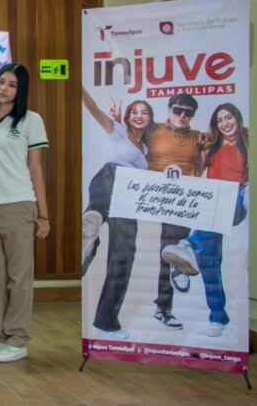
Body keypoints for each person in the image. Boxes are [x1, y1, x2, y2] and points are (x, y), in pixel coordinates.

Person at [0, 63, 49, 363]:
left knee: (19, 276)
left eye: (12, 84)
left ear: (21, 90)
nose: (3, 88)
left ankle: (18, 339)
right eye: (0, 81)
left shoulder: (31, 120)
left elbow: (36, 169)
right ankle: (4, 336)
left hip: (19, 205)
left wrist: (43, 215)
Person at [161, 103, 248, 338]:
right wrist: (200, 150)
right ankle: (218, 316)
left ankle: (189, 246)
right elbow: (198, 173)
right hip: (212, 200)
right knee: (210, 261)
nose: (225, 123)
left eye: (229, 117)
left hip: (237, 199)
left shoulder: (248, 140)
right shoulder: (212, 145)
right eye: (220, 120)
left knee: (203, 242)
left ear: (238, 118)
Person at [80, 89, 155, 340]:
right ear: (128, 115)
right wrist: (77, 85)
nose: (139, 115)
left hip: (129, 197)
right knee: (101, 204)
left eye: (144, 112)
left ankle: (106, 322)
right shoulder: (117, 130)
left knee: (124, 255)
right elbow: (93, 108)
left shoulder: (146, 149)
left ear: (150, 118)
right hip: (110, 178)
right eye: (135, 111)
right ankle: (90, 225)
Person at [144, 93, 202, 330]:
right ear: (168, 109)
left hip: (185, 198)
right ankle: (164, 306)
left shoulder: (199, 137)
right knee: (167, 249)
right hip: (153, 195)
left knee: (172, 247)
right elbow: (126, 132)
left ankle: (164, 306)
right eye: (178, 110)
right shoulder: (153, 130)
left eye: (188, 113)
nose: (182, 116)